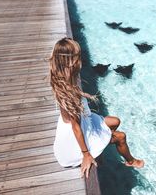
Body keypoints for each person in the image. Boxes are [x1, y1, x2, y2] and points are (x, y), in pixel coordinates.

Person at [49, 37, 145, 178]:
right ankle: (131, 161)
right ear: (70, 62)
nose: (80, 61)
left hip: (84, 122)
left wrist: (83, 95)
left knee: (115, 121)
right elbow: (76, 127)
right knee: (121, 137)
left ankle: (102, 150)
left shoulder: (62, 78)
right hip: (76, 137)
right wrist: (86, 155)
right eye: (78, 58)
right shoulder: (69, 93)